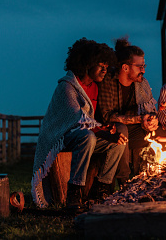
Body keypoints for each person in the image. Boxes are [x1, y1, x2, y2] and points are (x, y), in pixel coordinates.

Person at [31, 38, 127, 210]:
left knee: (118, 143)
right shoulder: (67, 87)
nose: (105, 70)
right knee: (88, 137)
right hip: (61, 137)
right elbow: (78, 119)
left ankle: (100, 189)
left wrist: (106, 131)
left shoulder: (94, 87)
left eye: (106, 66)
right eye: (100, 65)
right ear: (86, 63)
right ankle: (74, 193)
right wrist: (100, 131)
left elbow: (88, 120)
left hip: (82, 135)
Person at [96, 37, 158, 178]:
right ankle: (124, 179)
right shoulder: (109, 81)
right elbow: (107, 116)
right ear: (125, 67)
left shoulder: (141, 84)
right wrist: (140, 118)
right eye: (139, 66)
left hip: (133, 126)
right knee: (121, 129)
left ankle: (144, 176)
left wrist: (151, 120)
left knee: (157, 132)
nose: (143, 70)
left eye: (144, 66)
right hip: (108, 129)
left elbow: (149, 110)